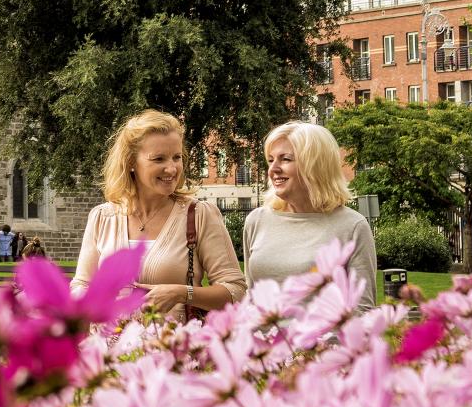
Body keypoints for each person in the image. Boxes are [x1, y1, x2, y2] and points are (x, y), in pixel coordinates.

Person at [70, 108, 246, 314]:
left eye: (177, 157)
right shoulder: (102, 217)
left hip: (175, 344)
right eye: (159, 159)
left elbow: (236, 291)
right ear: (131, 163)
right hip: (109, 344)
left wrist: (182, 293)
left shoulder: (199, 215)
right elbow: (80, 285)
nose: (172, 169)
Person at [241, 120, 379, 306]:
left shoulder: (352, 226)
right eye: (271, 160)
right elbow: (251, 295)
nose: (273, 169)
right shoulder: (257, 221)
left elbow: (362, 309)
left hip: (324, 336)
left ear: (315, 166)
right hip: (262, 335)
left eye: (286, 159)